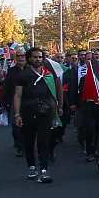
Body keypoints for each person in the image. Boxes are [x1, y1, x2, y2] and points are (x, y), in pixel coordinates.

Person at [13, 46, 61, 183]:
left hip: (44, 113)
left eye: (40, 57)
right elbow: (17, 95)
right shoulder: (23, 75)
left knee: (44, 142)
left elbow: (52, 96)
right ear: (30, 59)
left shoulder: (48, 75)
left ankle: (44, 171)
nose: (38, 59)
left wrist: (54, 115)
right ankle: (32, 167)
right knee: (29, 142)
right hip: (27, 113)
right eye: (35, 57)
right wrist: (17, 115)